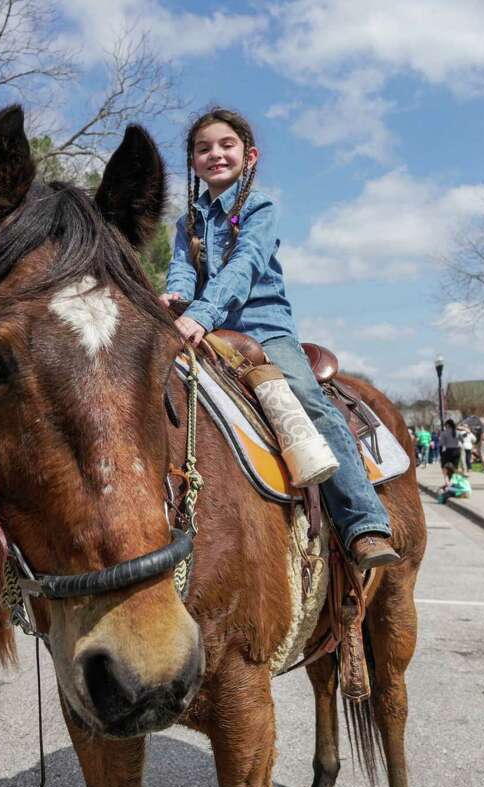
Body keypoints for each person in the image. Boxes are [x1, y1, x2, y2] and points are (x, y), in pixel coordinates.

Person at [160, 107, 397, 571]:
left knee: (308, 403)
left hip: (263, 331)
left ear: (249, 156)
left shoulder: (259, 207)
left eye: (226, 145)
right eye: (203, 148)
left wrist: (202, 314)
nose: (215, 154)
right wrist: (174, 301)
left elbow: (243, 266)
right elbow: (183, 272)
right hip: (204, 329)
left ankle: (364, 523)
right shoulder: (187, 223)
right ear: (193, 162)